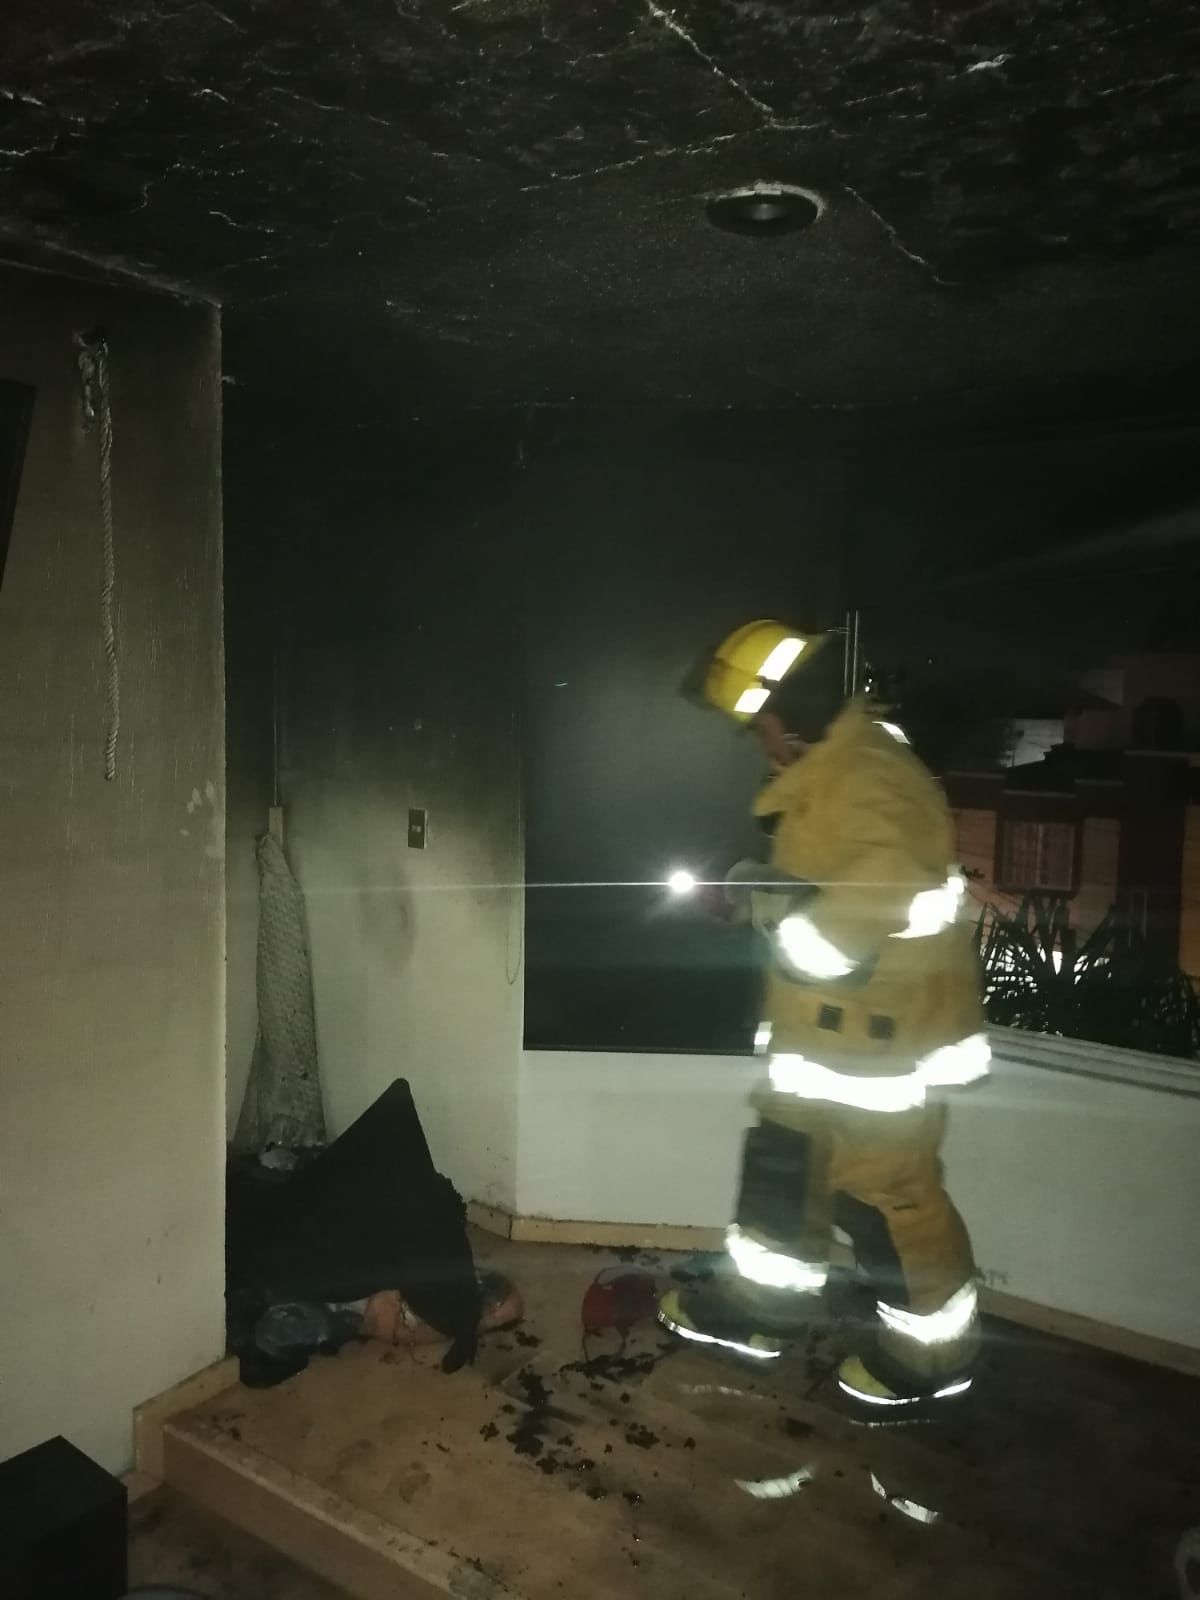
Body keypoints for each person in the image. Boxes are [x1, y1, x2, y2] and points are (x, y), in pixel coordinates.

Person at [658, 620, 989, 1414]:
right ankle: (758, 1314)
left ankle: (929, 1360)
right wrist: (750, 898)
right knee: (783, 1176)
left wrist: (767, 909)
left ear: (790, 713)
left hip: (881, 1060)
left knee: (888, 1206)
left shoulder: (872, 778)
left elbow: (852, 924)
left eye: (758, 724)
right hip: (822, 1048)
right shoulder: (832, 774)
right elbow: (823, 892)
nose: (758, 741)